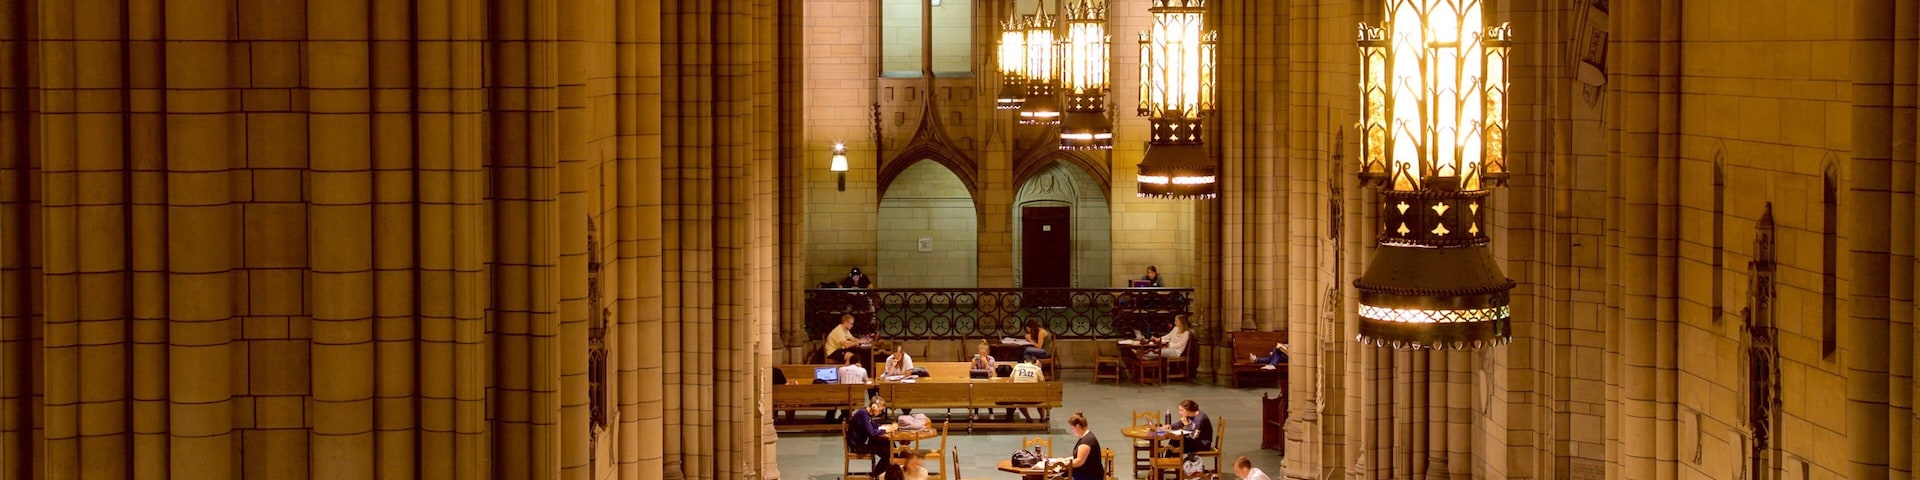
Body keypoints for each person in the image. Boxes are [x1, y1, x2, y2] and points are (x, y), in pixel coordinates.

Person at [845, 395, 897, 475]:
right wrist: (886, 430)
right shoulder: (863, 414)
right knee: (887, 454)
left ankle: (892, 470)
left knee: (889, 444)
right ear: (874, 406)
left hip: (862, 443)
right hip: (858, 446)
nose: (881, 412)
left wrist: (885, 426)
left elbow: (872, 426)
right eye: (880, 410)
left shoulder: (865, 413)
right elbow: (871, 433)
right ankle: (875, 474)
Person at [1066, 411, 1105, 480]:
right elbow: (1076, 457)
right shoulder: (1086, 437)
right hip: (1086, 473)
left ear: (1077, 426)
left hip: (1089, 476)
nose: (1072, 431)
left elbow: (1079, 462)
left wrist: (1063, 465)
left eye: (1072, 428)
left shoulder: (1086, 442)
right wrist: (1064, 460)